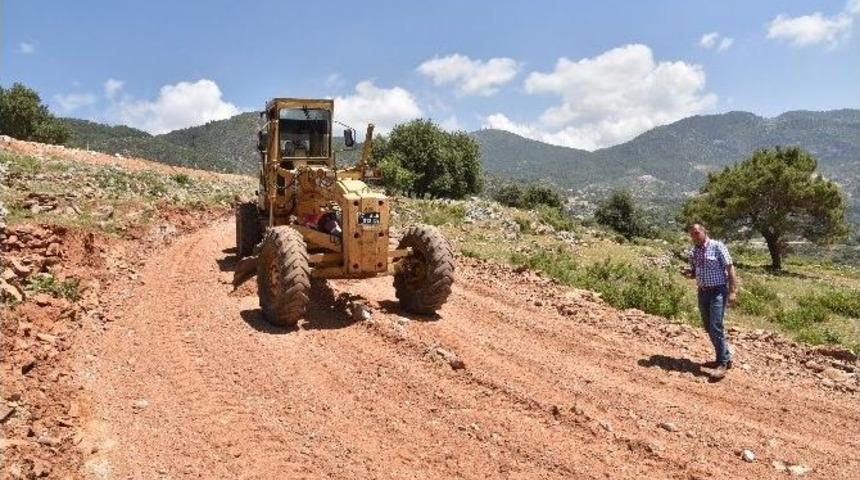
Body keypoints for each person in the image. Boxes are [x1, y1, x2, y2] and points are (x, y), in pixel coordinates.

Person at [682, 223, 738, 380]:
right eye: (692, 234)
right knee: (708, 326)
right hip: (703, 292)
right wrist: (689, 273)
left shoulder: (717, 246)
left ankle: (722, 363)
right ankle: (724, 357)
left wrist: (733, 291)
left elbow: (730, 268)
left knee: (716, 326)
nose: (695, 236)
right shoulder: (694, 251)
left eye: (697, 232)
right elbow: (695, 272)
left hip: (718, 291)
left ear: (704, 231)